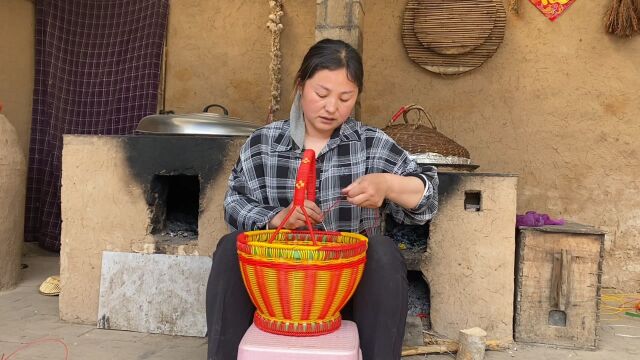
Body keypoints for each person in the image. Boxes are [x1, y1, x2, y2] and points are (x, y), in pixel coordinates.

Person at [206, 38, 438, 360]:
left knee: (383, 252)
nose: (332, 108)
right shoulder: (264, 142)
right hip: (276, 288)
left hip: (346, 290)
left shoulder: (370, 144)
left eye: (345, 98)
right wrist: (275, 218)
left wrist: (387, 185)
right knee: (231, 248)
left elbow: (427, 196)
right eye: (321, 94)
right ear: (301, 86)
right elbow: (233, 203)